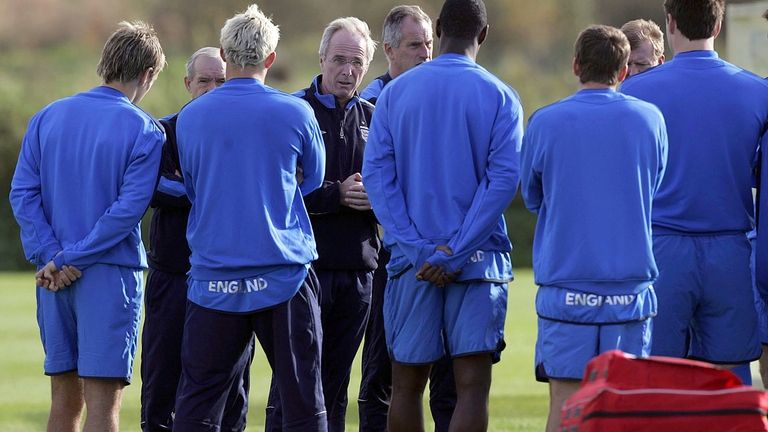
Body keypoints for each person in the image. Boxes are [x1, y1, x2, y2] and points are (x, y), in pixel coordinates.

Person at [363, 0, 522, 430]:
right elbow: (502, 182)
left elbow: (378, 180)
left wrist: (418, 249)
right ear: (483, 35)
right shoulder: (501, 96)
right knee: (472, 387)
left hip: (413, 266)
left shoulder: (394, 94)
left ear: (438, 28)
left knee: (406, 385)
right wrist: (455, 250)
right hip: (476, 262)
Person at [171, 5, 327, 431]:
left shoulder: (190, 117)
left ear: (223, 54)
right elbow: (312, 180)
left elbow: (194, 183)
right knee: (302, 403)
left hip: (212, 279)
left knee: (197, 404)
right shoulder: (297, 113)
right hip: (284, 275)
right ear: (271, 59)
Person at [9, 21, 165, 432]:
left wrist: (51, 257)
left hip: (52, 280)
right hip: (108, 277)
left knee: (63, 402)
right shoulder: (145, 129)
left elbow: (23, 194)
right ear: (147, 74)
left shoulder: (47, 116)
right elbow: (126, 212)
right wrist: (68, 258)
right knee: (103, 407)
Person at [521, 25, 667, 431]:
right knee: (627, 408)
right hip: (630, 293)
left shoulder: (545, 122)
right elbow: (653, 187)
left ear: (575, 65)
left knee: (566, 405)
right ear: (623, 71)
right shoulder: (650, 119)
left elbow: (533, 196)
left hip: (566, 289)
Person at [623, 0, 768, 382]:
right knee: (731, 380)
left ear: (670, 23)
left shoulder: (636, 92)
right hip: (732, 250)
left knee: (657, 378)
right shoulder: (758, 92)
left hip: (663, 250)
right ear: (718, 27)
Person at [265, 16, 379, 432]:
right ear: (322, 59)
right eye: (339, 60)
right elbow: (276, 189)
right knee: (293, 382)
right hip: (303, 270)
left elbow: (397, 188)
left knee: (336, 383)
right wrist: (336, 194)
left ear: (367, 66)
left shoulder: (375, 116)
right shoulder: (294, 111)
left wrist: (376, 196)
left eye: (357, 62)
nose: (347, 70)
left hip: (358, 270)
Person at [358, 6, 457, 432]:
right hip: (386, 258)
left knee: (450, 377)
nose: (425, 53)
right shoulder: (367, 107)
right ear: (389, 50)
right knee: (384, 371)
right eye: (415, 45)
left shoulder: (443, 99)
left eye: (429, 44)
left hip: (444, 253)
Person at [140, 47, 250, 432]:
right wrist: (216, 188)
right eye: (205, 80)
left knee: (231, 388)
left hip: (228, 276)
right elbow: (153, 186)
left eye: (221, 80)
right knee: (161, 382)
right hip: (173, 275)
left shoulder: (245, 130)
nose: (213, 88)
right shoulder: (163, 131)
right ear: (188, 84)